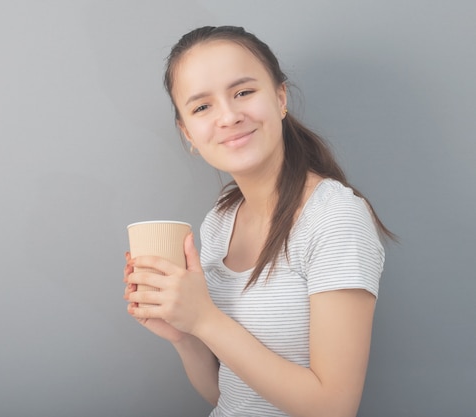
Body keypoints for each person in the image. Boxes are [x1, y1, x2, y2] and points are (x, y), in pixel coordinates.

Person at [123, 25, 394, 417]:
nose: (229, 116)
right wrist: (185, 334)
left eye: (244, 92)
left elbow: (334, 408)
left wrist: (205, 318)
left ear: (280, 98)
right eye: (202, 107)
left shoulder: (335, 217)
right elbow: (230, 396)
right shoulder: (221, 219)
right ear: (188, 134)